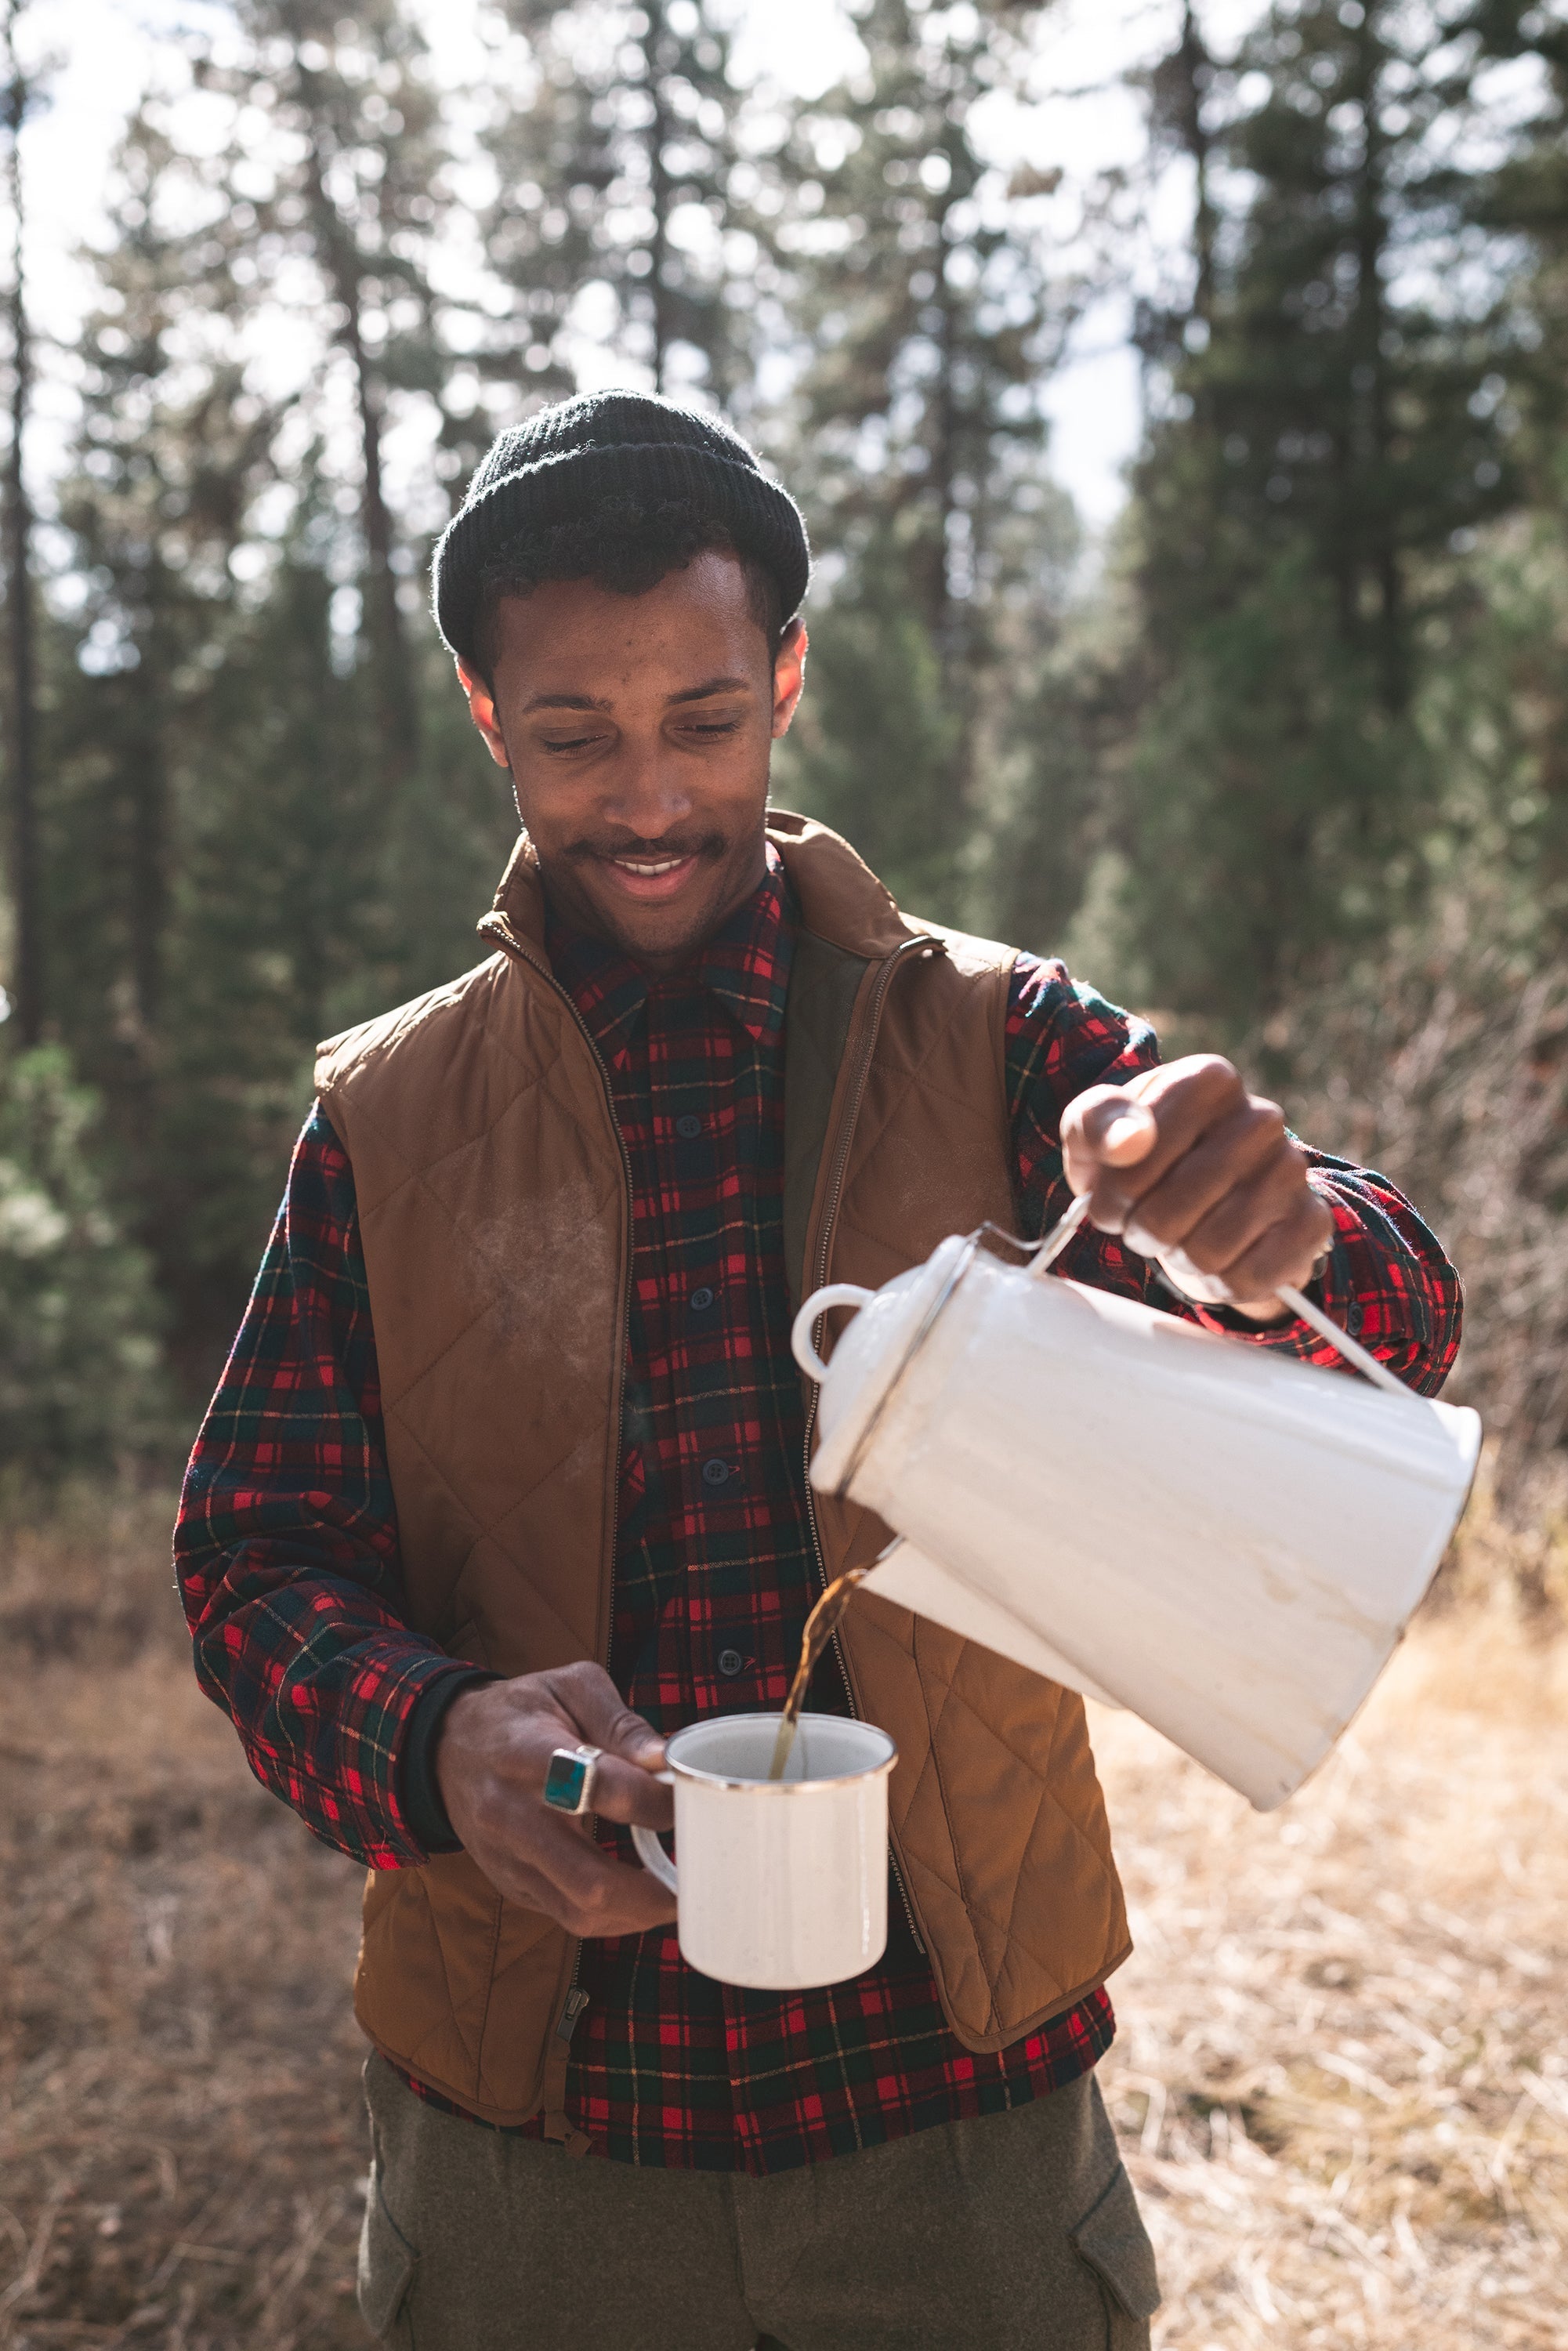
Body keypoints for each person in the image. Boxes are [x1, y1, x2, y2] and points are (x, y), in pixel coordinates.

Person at [174, 392, 1461, 2351]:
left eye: (702, 718)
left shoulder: (1004, 1040)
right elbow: (249, 1558)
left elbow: (1385, 1321)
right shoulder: (384, 1120)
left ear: (785, 675)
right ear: (479, 714)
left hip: (953, 2124)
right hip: (534, 2150)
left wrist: (1275, 1234)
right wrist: (431, 1742)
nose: (650, 799)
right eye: (570, 737)